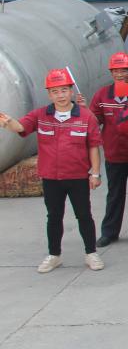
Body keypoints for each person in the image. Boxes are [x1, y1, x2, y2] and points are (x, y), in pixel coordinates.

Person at [0, 69, 103, 273]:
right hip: (51, 178)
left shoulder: (86, 117)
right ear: (49, 94)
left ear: (71, 91)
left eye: (64, 90)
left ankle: (91, 253)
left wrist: (95, 173)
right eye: (55, 91)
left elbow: (93, 146)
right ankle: (54, 255)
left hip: (77, 177)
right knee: (54, 217)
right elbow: (21, 127)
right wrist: (8, 122)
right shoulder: (41, 115)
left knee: (84, 215)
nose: (60, 95)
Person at [89, 52, 128, 247]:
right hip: (114, 154)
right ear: (111, 73)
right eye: (116, 71)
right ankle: (110, 232)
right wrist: (83, 111)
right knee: (114, 195)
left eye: (124, 70)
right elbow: (94, 121)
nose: (120, 74)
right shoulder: (102, 95)